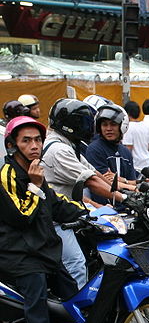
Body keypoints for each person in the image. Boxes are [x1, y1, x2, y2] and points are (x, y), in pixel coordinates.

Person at [1, 116, 119, 323]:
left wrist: (100, 215)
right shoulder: (8, 175)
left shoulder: (37, 172)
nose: (34, 145)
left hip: (43, 251)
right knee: (38, 305)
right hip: (18, 255)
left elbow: (60, 203)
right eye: (26, 140)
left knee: (74, 297)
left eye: (37, 140)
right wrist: (33, 185)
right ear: (12, 145)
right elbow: (21, 216)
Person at [41, 99, 126, 288]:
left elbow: (93, 172)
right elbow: (90, 181)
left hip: (69, 212)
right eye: (83, 122)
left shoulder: (69, 145)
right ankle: (77, 312)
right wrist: (124, 198)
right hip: (55, 220)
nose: (88, 127)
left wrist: (123, 190)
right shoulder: (58, 150)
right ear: (70, 124)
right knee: (76, 264)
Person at [84, 104, 137, 204]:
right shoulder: (95, 149)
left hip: (128, 205)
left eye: (113, 124)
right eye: (104, 124)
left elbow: (133, 181)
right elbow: (104, 182)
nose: (108, 128)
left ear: (122, 126)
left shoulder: (125, 152)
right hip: (105, 208)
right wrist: (131, 187)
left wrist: (122, 180)